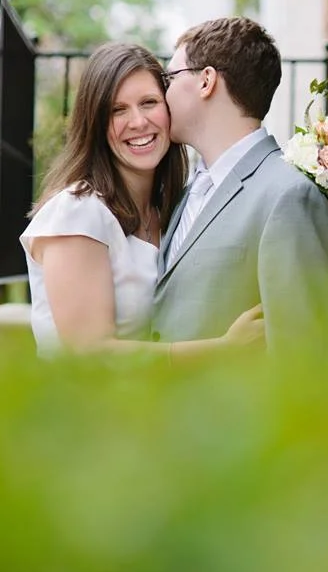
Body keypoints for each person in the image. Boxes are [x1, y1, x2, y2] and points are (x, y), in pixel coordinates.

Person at [19, 42, 263, 358]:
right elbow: (89, 355)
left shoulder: (173, 211)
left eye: (149, 103)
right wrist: (223, 349)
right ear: (95, 123)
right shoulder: (77, 212)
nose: (138, 122)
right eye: (117, 110)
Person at [152, 17, 328, 354]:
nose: (163, 93)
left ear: (206, 81)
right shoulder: (188, 189)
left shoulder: (289, 194)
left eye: (170, 78)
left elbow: (306, 356)